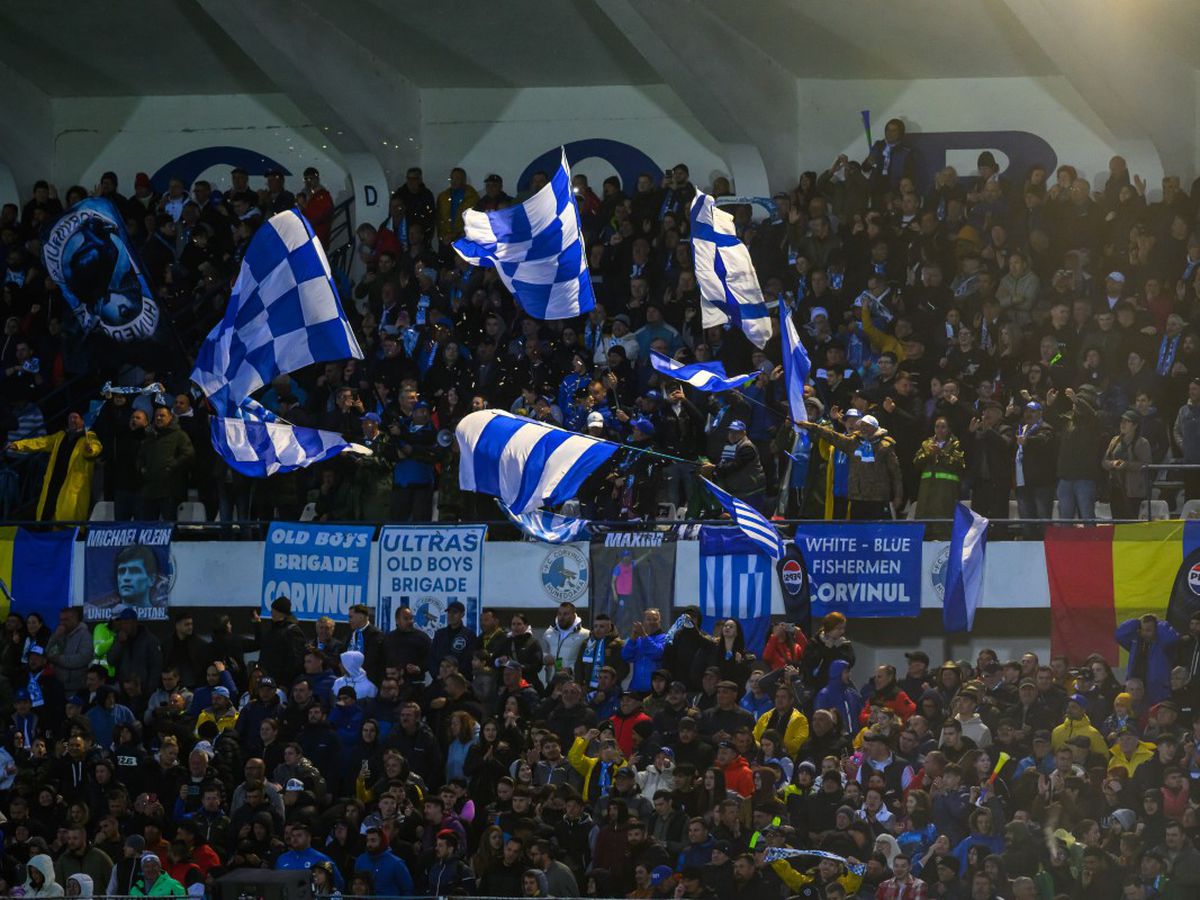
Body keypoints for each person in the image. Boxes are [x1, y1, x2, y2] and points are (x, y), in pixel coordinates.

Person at [5, 411, 102, 521]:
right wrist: (17, 445)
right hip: (54, 481)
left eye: (75, 417)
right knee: (48, 510)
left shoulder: (88, 438)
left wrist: (91, 450)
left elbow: (96, 448)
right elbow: (41, 442)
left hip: (72, 484)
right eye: (70, 418)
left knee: (69, 514)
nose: (72, 420)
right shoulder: (60, 436)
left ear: (82, 420)